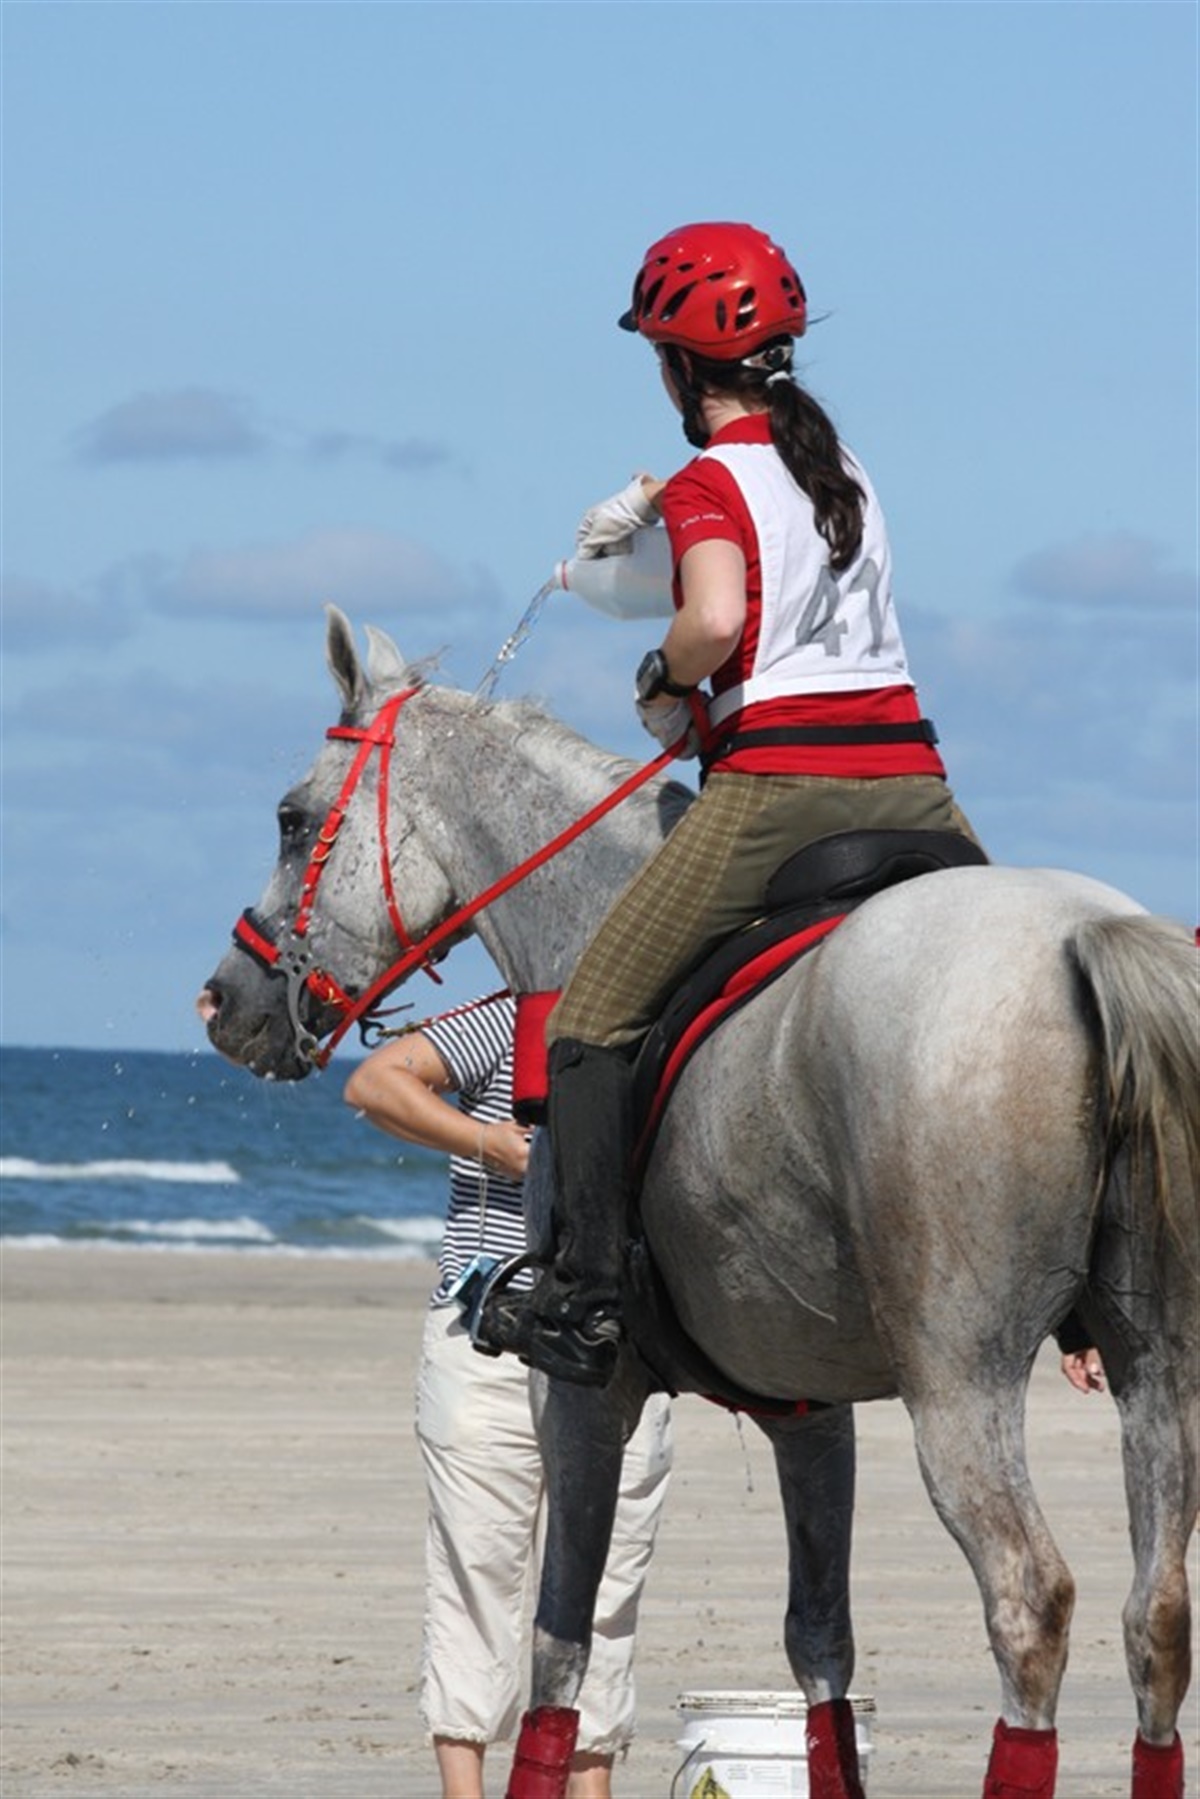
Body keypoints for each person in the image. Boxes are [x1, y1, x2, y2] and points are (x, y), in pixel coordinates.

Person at [485, 221, 982, 1387]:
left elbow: (711, 620)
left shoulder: (713, 480)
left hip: (780, 788)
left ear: (674, 367)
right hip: (918, 785)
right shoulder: (842, 467)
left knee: (588, 1023)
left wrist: (663, 676)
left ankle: (585, 1298)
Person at [343, 993, 673, 1799]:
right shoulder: (514, 1013)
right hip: (485, 1330)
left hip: (620, 1347)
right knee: (475, 1567)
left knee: (609, 1579)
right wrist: (488, 1142)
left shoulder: (656, 1021)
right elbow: (375, 1082)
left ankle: (589, 1786)